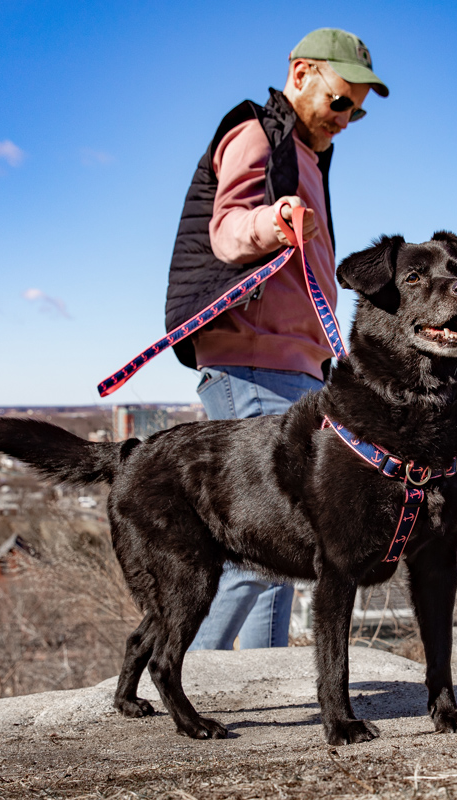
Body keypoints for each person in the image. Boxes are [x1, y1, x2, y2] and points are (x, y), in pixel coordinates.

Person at [164, 28, 389, 650]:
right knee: (258, 552)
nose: (346, 118)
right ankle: (192, 679)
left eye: (357, 111)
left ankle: (262, 683)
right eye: (339, 100)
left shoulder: (306, 155)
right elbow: (228, 229)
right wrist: (276, 220)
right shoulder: (259, 135)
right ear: (300, 76)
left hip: (294, 368)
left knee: (282, 549)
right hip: (253, 365)